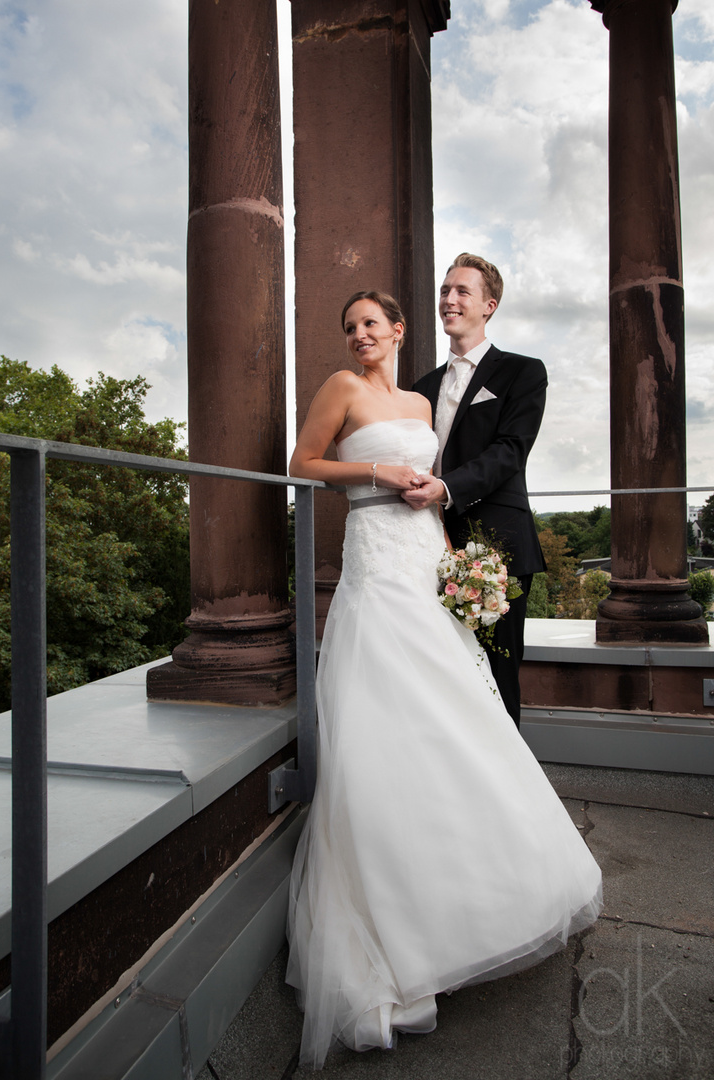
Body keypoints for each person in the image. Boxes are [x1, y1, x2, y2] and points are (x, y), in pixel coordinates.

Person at [286, 290, 602, 1070]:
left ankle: (477, 895)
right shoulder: (343, 388)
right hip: (373, 557)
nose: (360, 334)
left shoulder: (422, 401)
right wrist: (376, 469)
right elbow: (302, 463)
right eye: (350, 324)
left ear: (398, 331)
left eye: (373, 324)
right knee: (384, 712)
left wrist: (433, 504)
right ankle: (394, 917)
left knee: (458, 709)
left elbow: (455, 474)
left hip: (426, 554)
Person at [405, 254, 546, 727]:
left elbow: (510, 451)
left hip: (497, 542)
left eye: (462, 291)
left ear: (490, 305)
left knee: (497, 672)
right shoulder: (421, 387)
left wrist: (445, 487)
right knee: (442, 671)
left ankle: (509, 791)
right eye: (445, 290)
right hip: (426, 542)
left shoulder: (523, 373)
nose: (449, 299)